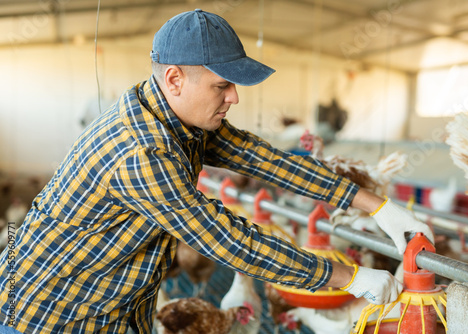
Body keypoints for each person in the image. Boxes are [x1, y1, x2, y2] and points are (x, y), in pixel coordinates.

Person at [0, 9, 433, 334]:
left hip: (112, 303)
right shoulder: (141, 151)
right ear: (174, 80)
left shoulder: (172, 114)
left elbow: (265, 159)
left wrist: (380, 208)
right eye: (221, 85)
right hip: (49, 315)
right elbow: (227, 240)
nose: (233, 98)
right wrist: (351, 278)